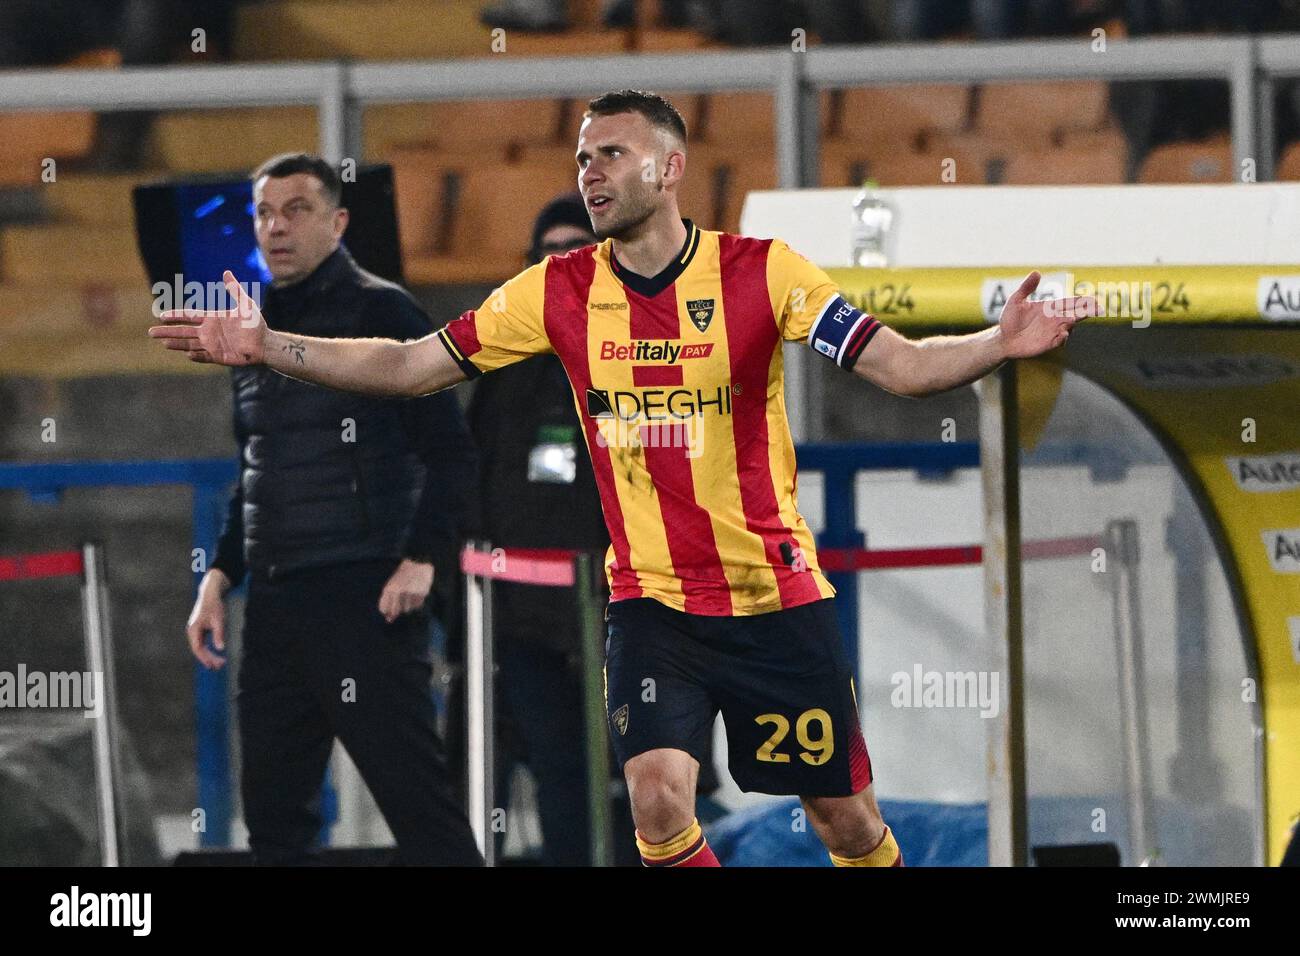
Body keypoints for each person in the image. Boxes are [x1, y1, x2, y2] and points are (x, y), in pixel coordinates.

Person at [151, 92, 1093, 868]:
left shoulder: (763, 273)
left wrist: (993, 346)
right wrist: (269, 344)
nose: (589, 172)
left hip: (771, 595)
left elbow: (897, 364)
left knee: (843, 818)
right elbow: (409, 366)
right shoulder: (556, 290)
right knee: (654, 798)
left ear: (670, 167)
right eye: (580, 159)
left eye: (609, 154)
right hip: (649, 601)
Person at [184, 153, 482, 866]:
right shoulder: (250, 326)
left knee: (423, 816)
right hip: (278, 603)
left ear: (339, 222)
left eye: (296, 209)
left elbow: (452, 451)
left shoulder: (382, 309)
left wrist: (422, 559)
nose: (275, 226)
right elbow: (257, 465)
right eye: (262, 212)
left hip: (366, 597)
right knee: (274, 828)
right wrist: (219, 578)